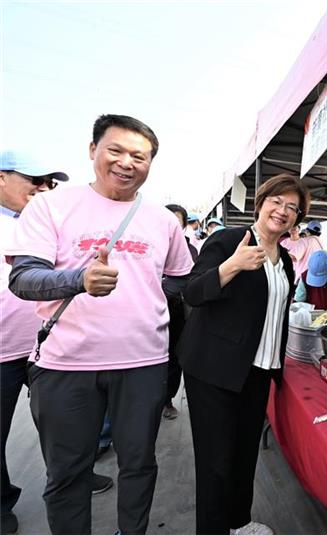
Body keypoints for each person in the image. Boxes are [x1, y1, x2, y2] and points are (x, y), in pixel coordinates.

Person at [6, 115, 195, 535]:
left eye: (139, 157)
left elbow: (181, 277)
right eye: (116, 150)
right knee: (68, 473)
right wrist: (80, 280)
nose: (127, 163)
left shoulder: (163, 220)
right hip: (65, 364)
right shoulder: (51, 206)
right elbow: (23, 278)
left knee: (139, 464)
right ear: (93, 150)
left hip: (143, 363)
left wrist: (146, 300)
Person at [178, 173, 309, 535]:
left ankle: (238, 522)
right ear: (261, 202)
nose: (283, 211)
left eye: (292, 208)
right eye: (277, 201)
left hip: (259, 370)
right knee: (216, 461)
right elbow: (192, 292)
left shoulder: (285, 259)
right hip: (215, 370)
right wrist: (232, 265)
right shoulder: (228, 240)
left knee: (245, 451)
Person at [0, 150, 70, 535]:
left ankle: (72, 479)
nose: (44, 188)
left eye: (50, 183)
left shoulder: (52, 223)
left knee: (66, 425)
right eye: (35, 179)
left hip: (50, 347)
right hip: (2, 352)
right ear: (2, 177)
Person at [162, 204, 198, 420]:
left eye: (177, 221)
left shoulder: (190, 250)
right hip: (149, 314)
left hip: (177, 313)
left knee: (174, 357)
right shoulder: (150, 245)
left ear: (183, 226)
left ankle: (167, 399)